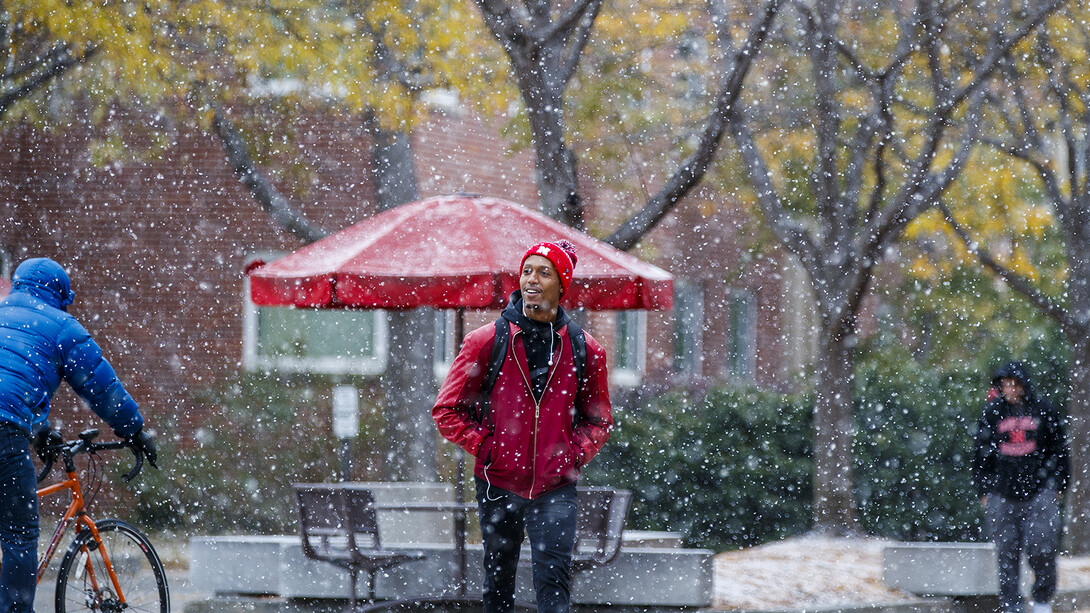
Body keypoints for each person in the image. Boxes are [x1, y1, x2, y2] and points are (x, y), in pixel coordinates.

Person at [433, 240, 613, 613]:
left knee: (554, 583)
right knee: (498, 584)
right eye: (527, 270)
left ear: (562, 286)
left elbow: (598, 419)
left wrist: (572, 455)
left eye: (544, 272)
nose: (532, 279)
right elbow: (447, 410)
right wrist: (489, 449)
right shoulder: (486, 341)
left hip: (555, 486)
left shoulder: (585, 348)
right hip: (499, 483)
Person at [0, 257, 157, 613]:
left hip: (9, 420)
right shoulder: (61, 327)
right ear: (59, 293)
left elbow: (13, 379)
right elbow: (102, 389)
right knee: (19, 535)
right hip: (4, 430)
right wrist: (134, 430)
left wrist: (39, 429)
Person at [972, 361, 1069, 613]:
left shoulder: (1044, 411)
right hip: (1001, 493)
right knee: (1006, 553)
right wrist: (984, 489)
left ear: (1024, 385)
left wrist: (1058, 484)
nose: (1011, 390)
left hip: (1040, 491)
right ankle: (1011, 604)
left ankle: (1041, 600)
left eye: (1015, 385)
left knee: (1042, 547)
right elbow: (981, 454)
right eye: (1005, 385)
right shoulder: (992, 413)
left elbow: (1060, 449)